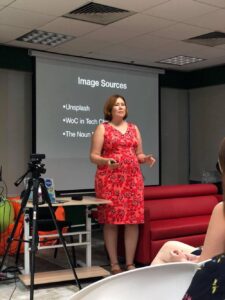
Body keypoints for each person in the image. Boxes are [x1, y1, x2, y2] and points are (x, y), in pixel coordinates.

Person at [90, 94, 156, 275]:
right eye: (117, 105)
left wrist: (145, 158)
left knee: (132, 221)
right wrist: (106, 161)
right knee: (111, 222)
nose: (120, 107)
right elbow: (93, 156)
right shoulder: (102, 128)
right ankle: (113, 264)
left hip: (133, 180)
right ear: (110, 109)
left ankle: (129, 263)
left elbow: (138, 154)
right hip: (110, 180)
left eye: (123, 104)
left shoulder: (134, 128)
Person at [151, 137, 225, 267]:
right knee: (170, 246)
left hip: (216, 279)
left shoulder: (222, 210)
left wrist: (182, 261)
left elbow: (205, 267)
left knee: (168, 253)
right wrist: (195, 257)